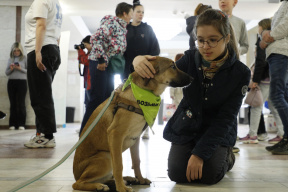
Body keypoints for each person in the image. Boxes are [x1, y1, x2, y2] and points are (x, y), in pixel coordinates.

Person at [132, 9, 250, 185]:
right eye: (201, 40)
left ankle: (227, 157)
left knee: (209, 174)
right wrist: (138, 60)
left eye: (212, 40)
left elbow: (225, 118)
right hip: (188, 124)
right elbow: (161, 72)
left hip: (217, 129)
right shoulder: (189, 59)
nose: (205, 47)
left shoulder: (240, 73)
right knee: (177, 173)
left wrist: (200, 154)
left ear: (226, 39)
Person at [79, 2, 133, 135]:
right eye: (131, 13)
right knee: (97, 98)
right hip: (99, 63)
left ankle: (99, 132)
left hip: (108, 65)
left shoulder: (122, 27)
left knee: (107, 98)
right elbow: (95, 38)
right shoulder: (112, 23)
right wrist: (101, 59)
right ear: (125, 13)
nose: (131, 17)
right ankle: (84, 134)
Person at [24, 0, 62, 148]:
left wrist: (38, 52)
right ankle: (42, 134)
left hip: (41, 49)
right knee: (42, 93)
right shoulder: (56, 4)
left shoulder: (42, 1)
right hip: (52, 49)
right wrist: (56, 52)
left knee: (40, 95)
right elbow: (57, 33)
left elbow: (41, 25)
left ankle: (47, 136)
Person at [240, 18, 284, 144]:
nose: (258, 30)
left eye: (259, 27)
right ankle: (281, 134)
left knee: (256, 106)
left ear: (263, 27)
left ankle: (253, 135)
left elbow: (260, 61)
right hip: (274, 77)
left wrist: (255, 80)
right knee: (274, 106)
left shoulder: (263, 39)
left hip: (264, 79)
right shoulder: (276, 38)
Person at [123, 0, 160, 139]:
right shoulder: (125, 29)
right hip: (127, 71)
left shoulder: (147, 29)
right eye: (138, 11)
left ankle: (145, 128)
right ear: (131, 13)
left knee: (145, 100)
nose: (141, 14)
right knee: (129, 99)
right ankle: (129, 127)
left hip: (146, 71)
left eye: (143, 12)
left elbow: (155, 50)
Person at [219, 0, 249, 153]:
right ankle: (216, 140)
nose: (222, 1)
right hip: (215, 69)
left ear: (235, 2)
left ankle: (231, 141)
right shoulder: (215, 19)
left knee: (232, 106)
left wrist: (236, 49)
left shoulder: (240, 23)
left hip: (232, 69)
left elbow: (245, 45)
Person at [260, 0, 288, 155]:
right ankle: (285, 138)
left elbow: (285, 26)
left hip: (281, 53)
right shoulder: (283, 4)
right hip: (278, 53)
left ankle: (287, 138)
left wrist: (266, 37)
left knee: (276, 96)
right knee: (283, 95)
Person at [5, 42, 27, 130]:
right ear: (12, 51)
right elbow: (6, 73)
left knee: (21, 103)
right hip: (11, 82)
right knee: (12, 104)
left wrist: (20, 69)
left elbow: (29, 71)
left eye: (18, 50)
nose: (16, 52)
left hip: (22, 82)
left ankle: (22, 124)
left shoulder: (25, 58)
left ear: (21, 51)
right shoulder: (10, 59)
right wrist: (11, 69)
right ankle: (12, 124)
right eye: (15, 51)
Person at [75, 35, 92, 134]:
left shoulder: (93, 53)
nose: (84, 47)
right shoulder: (88, 53)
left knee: (89, 105)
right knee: (87, 104)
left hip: (90, 83)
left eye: (85, 45)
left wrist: (80, 50)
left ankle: (87, 126)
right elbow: (83, 60)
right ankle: (86, 125)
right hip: (87, 83)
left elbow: (85, 61)